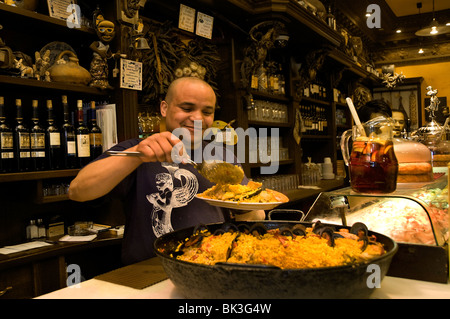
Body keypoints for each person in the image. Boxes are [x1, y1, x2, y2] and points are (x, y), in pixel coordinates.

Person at [69, 77, 264, 265]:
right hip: (149, 270)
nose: (197, 118)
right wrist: (138, 154)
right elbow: (77, 191)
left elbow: (254, 212)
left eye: (207, 112)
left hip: (210, 265)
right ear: (164, 108)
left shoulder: (222, 155)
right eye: (186, 108)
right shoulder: (137, 149)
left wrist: (250, 209)